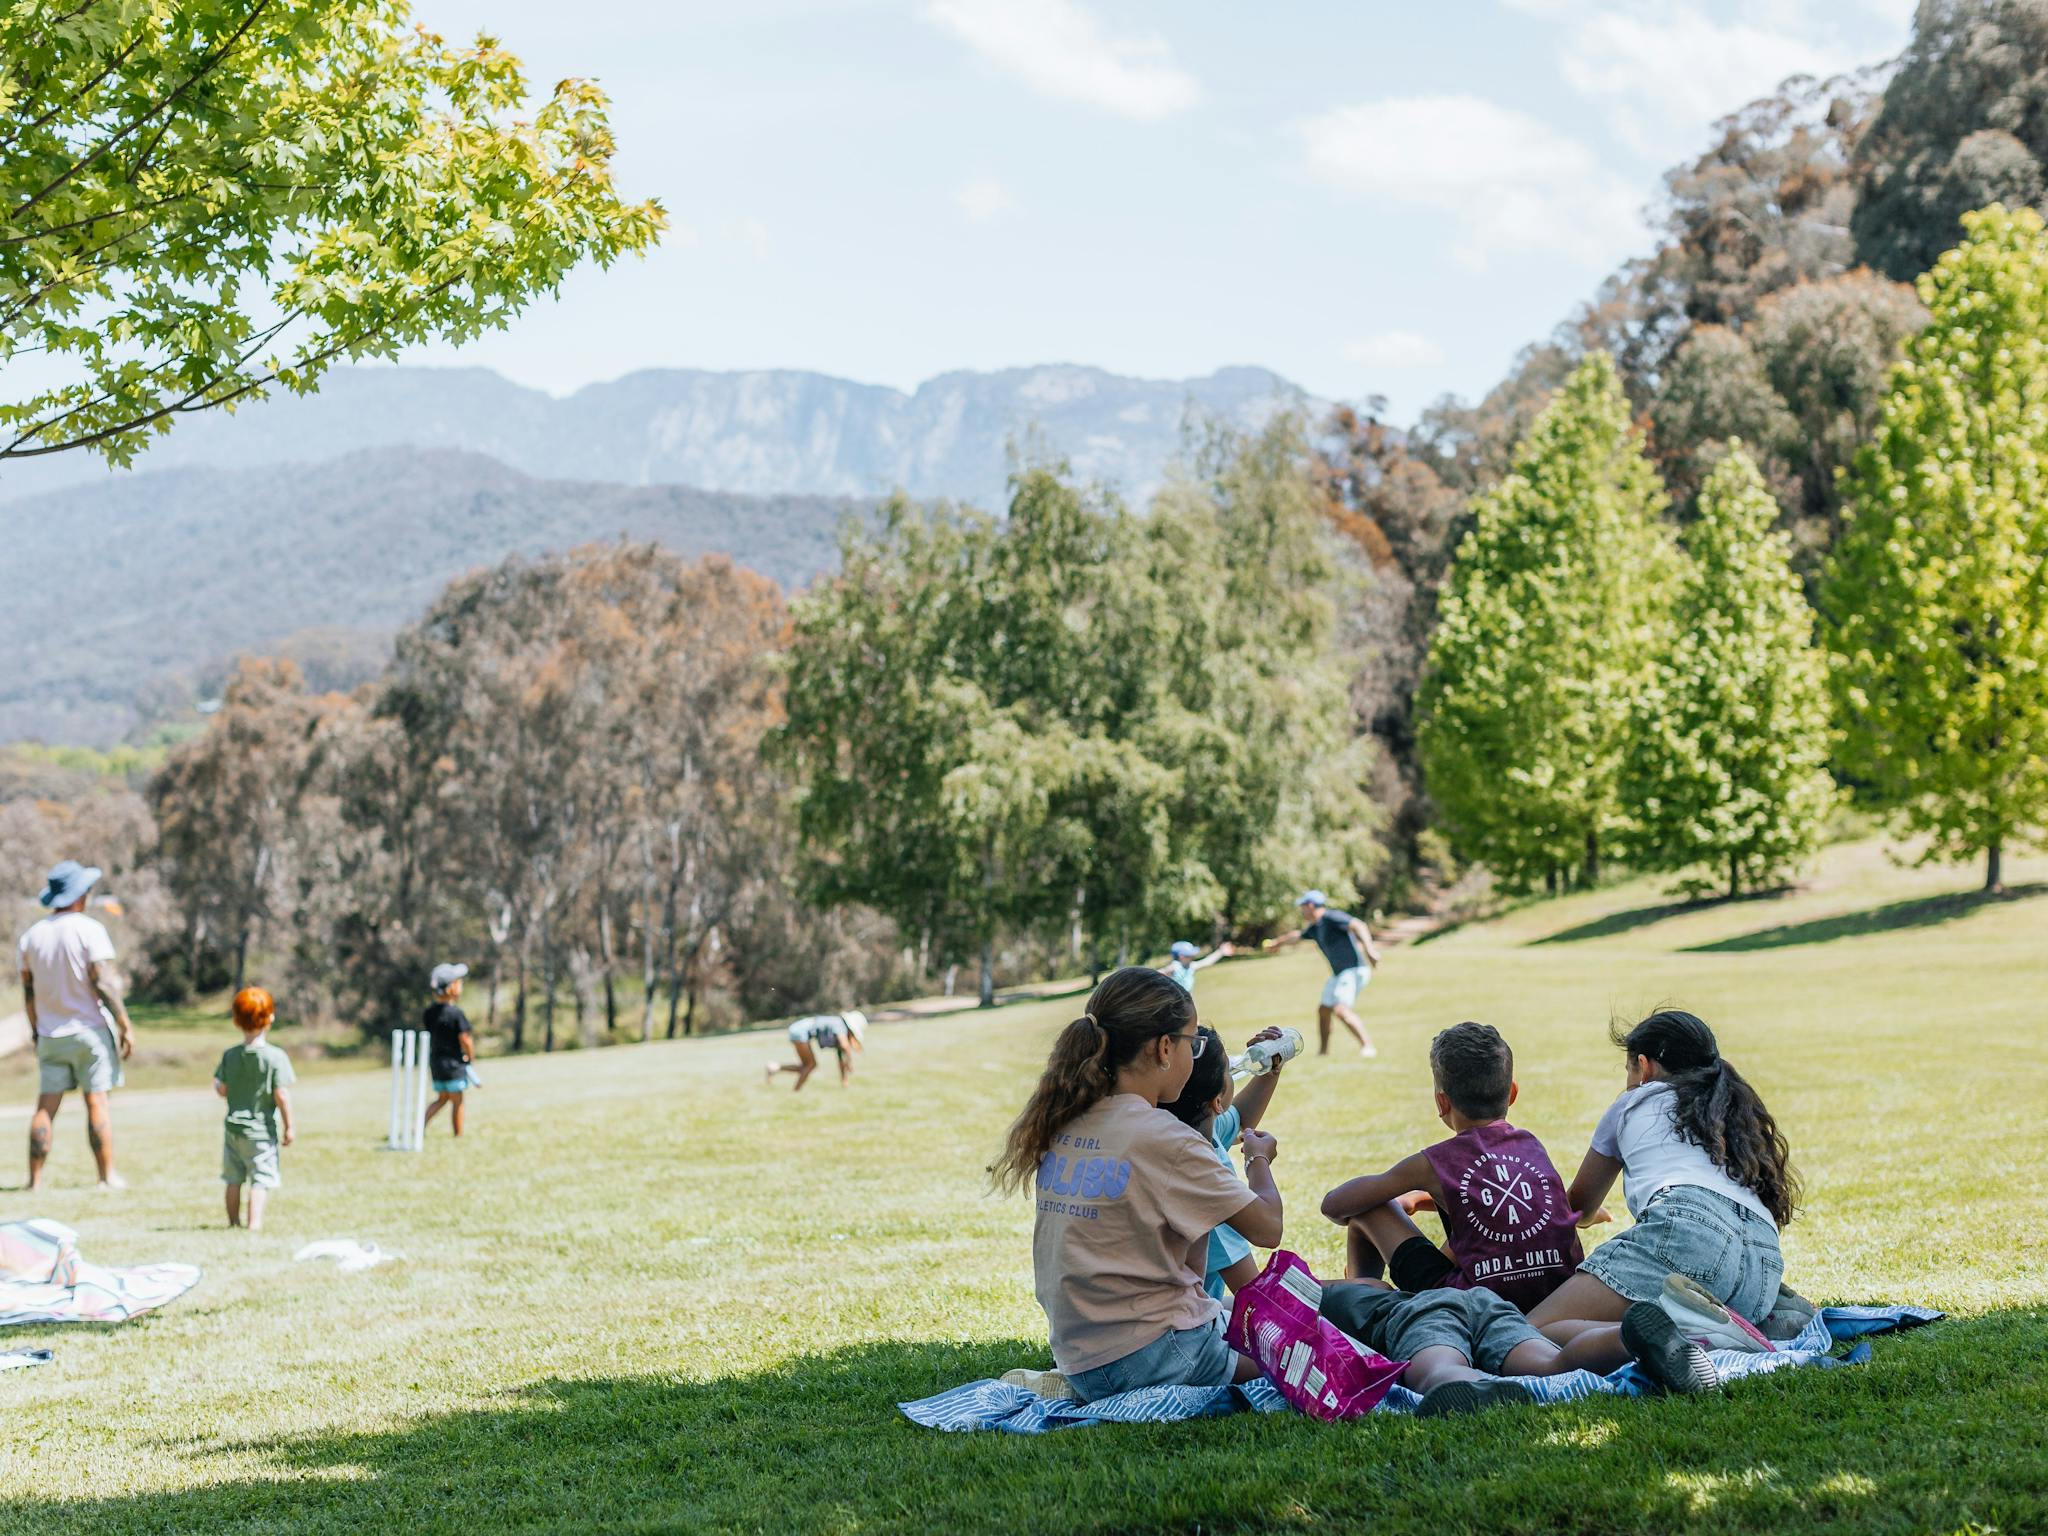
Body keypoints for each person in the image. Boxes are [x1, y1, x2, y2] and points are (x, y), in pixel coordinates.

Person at [987, 967, 1284, 1404]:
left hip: (1082, 1357)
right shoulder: (1165, 1137)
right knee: (1295, 1351)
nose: (1193, 1053)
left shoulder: (1067, 1120)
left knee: (1225, 1313)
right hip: (1160, 1354)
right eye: (1192, 1043)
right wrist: (1259, 1158)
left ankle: (1075, 1387)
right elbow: (1268, 1228)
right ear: (1165, 1048)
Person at [1526, 1009, 1798, 1334]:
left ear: (1644, 1067)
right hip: (1763, 1269)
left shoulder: (1632, 1102)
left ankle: (1692, 1336)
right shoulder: (1729, 1107)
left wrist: (1587, 1215)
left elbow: (1577, 1207)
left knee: (1531, 1332)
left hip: (1690, 1237)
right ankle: (1724, 1326)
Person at [1320, 1021, 1596, 1312]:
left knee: (1372, 1207)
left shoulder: (1435, 1161)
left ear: (1442, 1102)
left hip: (1471, 1307)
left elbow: (1335, 1205)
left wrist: (1396, 1195)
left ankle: (1362, 1298)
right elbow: (1494, 1206)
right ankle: (1362, 1291)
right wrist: (1420, 1199)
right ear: (1512, 1093)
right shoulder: (1531, 1145)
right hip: (1557, 1299)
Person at [1321, 1273, 1720, 1415]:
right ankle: (1626, 1337)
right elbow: (1370, 1282)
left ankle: (1466, 1385)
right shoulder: (1360, 1289)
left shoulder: (1312, 1302)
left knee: (1437, 1367)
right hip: (1483, 1301)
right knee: (1550, 1363)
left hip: (1422, 1312)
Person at [16, 860, 135, 1191]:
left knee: (45, 1107)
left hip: (51, 1034)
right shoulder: (89, 929)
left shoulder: (30, 937)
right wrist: (124, 1023)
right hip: (89, 1031)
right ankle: (105, 1176)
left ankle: (34, 1180)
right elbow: (103, 983)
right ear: (80, 895)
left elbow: (28, 992)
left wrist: (36, 1029)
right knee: (96, 1102)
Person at [1161, 1024, 1289, 1298]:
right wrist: (1259, 1159)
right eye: (1228, 1070)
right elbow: (1254, 1297)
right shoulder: (1200, 1182)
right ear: (1217, 1101)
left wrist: (1269, 1071)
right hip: (1191, 1328)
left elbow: (1241, 1118)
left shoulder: (1192, 1127)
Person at [1260, 890, 1381, 1057]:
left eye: (1303, 907)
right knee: (1324, 1010)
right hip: (1339, 973)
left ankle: (1368, 1047)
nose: (1301, 911)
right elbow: (1296, 936)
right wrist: (1277, 943)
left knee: (1341, 1010)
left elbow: (1359, 925)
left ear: (1310, 906)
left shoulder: (1331, 917)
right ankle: (1323, 1053)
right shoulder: (1316, 927)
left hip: (1353, 970)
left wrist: (1370, 949)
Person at [214, 986, 296, 1230]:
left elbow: (221, 1089)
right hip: (260, 1133)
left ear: (236, 1020)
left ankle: (233, 1222)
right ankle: (254, 1224)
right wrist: (290, 1126)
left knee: (232, 1179)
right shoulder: (275, 1057)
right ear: (270, 1018)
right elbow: (281, 1094)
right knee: (260, 1180)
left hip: (232, 1130)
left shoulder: (230, 1056)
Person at [420, 963, 477, 1137]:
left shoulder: (429, 1013)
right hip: (454, 1064)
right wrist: (470, 1057)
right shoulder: (456, 1014)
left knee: (443, 1098)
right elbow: (465, 1039)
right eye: (459, 982)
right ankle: (458, 1135)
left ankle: (418, 1127)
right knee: (457, 1100)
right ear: (451, 987)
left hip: (436, 1063)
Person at [766, 1010, 867, 1091]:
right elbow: (845, 1047)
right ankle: (796, 1092)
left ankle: (775, 1068)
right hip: (800, 1031)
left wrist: (844, 1080)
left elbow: (841, 1055)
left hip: (799, 1030)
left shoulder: (839, 1029)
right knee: (810, 1065)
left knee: (807, 1066)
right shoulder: (840, 1025)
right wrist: (849, 1063)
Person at [1159, 939, 1231, 993]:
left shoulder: (1190, 966)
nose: (1192, 956)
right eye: (1189, 955)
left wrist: (1220, 952)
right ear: (1181, 956)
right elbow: (1160, 972)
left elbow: (1206, 962)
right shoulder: (1174, 967)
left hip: (1186, 1001)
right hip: (1175, 1003)